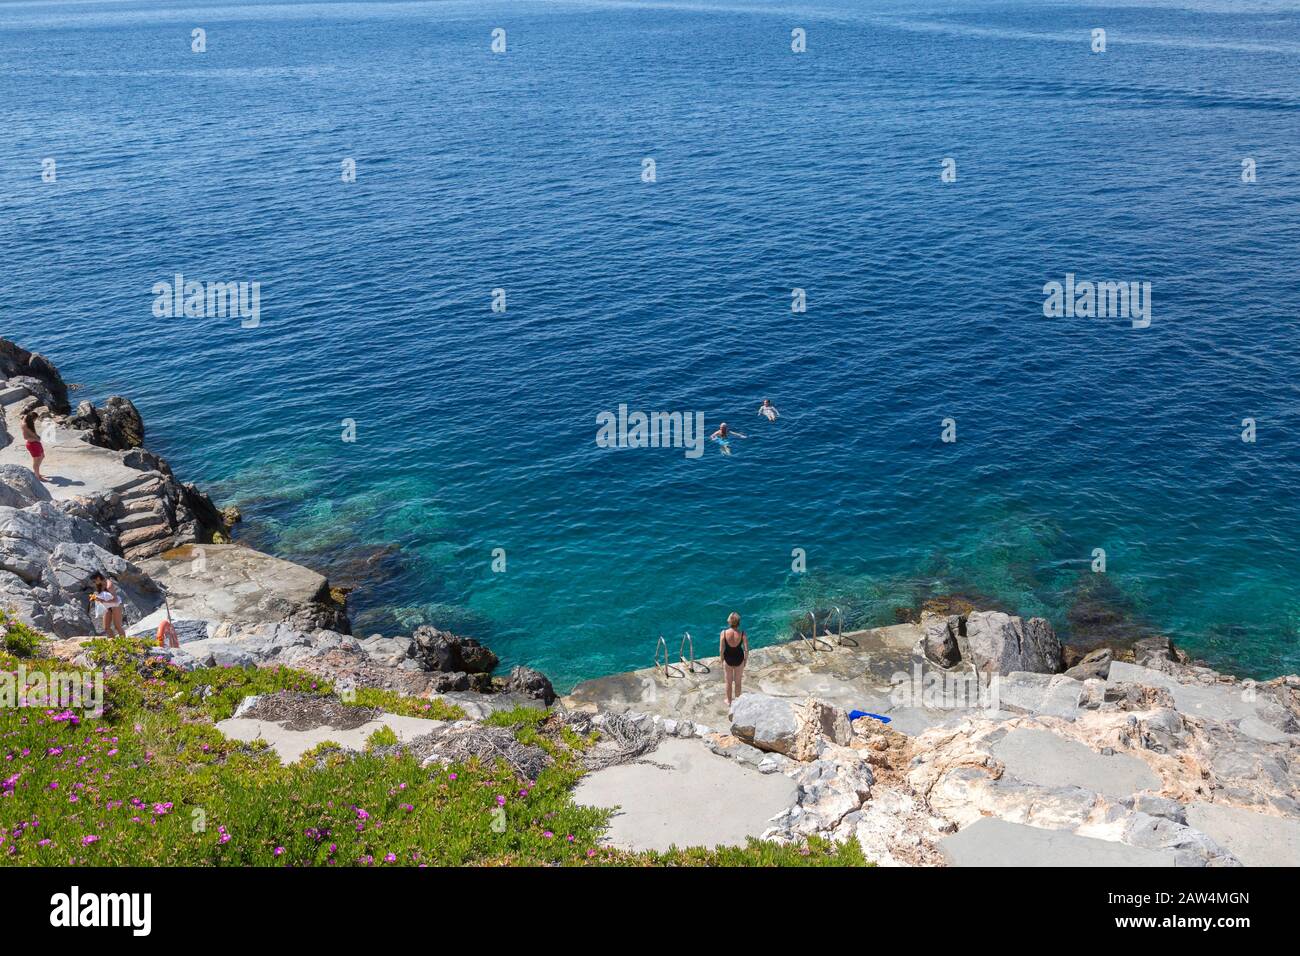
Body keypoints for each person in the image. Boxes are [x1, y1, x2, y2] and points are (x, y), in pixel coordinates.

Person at [719, 612, 748, 705]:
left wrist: (722, 660)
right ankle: (738, 702)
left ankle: (729, 701)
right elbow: (746, 649)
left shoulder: (723, 633)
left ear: (729, 622)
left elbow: (721, 650)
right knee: (738, 682)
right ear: (738, 622)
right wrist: (745, 660)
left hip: (728, 660)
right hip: (739, 660)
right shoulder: (742, 633)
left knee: (728, 682)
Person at [91, 572, 126, 638]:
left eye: (94, 581)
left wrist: (102, 600)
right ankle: (114, 642)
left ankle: (123, 642)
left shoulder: (109, 586)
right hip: (107, 607)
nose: (94, 583)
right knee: (106, 627)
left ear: (98, 578)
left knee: (117, 626)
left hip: (116, 606)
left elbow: (115, 600)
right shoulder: (100, 585)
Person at [20, 411, 45, 482]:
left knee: (42, 456)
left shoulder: (27, 420)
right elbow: (25, 437)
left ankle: (37, 472)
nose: (35, 421)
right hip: (32, 444)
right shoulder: (25, 425)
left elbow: (24, 416)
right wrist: (36, 438)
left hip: (36, 443)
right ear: (32, 419)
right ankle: (37, 476)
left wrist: (37, 439)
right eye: (35, 419)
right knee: (36, 461)